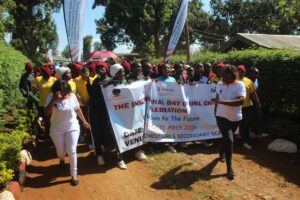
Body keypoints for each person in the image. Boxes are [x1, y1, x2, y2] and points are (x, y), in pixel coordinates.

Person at [45, 80, 90, 186]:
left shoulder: (72, 96)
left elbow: (77, 109)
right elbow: (46, 113)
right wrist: (54, 100)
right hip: (56, 129)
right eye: (62, 92)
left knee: (72, 149)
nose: (65, 95)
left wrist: (84, 121)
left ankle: (74, 174)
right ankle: (61, 159)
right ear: (56, 92)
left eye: (66, 92)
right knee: (61, 151)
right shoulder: (51, 98)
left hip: (72, 127)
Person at [212, 65, 246, 179]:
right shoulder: (219, 84)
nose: (224, 76)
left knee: (226, 138)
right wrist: (216, 109)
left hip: (236, 118)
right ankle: (229, 168)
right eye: (223, 74)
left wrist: (222, 101)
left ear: (233, 74)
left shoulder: (240, 85)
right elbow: (217, 98)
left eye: (227, 74)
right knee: (229, 140)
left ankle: (222, 152)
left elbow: (240, 101)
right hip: (221, 116)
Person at [87, 61, 111, 166]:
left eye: (103, 67)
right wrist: (90, 87)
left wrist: (109, 84)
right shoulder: (95, 81)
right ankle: (99, 155)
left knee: (108, 133)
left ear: (107, 69)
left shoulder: (112, 81)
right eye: (98, 68)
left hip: (109, 113)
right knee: (97, 133)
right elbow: (93, 98)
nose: (100, 70)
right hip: (96, 112)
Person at [237, 65, 262, 150]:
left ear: (244, 72)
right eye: (239, 71)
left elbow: (254, 94)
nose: (240, 73)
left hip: (247, 107)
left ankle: (246, 142)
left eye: (242, 71)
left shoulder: (248, 81)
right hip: (235, 107)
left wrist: (258, 103)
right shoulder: (232, 80)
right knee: (236, 125)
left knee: (247, 125)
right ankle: (235, 140)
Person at [156, 63, 177, 153]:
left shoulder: (173, 79)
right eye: (165, 68)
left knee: (171, 125)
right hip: (161, 106)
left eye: (168, 68)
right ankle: (159, 142)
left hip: (171, 106)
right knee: (160, 125)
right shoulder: (157, 80)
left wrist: (179, 84)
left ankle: (170, 144)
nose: (167, 70)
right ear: (161, 70)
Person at [32, 65, 57, 137]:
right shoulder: (37, 79)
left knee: (51, 120)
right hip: (42, 104)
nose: (47, 78)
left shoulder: (54, 79)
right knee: (46, 121)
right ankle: (48, 134)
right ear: (42, 75)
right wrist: (34, 89)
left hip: (52, 104)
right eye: (45, 77)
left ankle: (51, 134)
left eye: (48, 76)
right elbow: (33, 92)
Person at [74, 66, 94, 147]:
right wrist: (82, 100)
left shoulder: (92, 80)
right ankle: (88, 139)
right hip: (82, 105)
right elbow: (75, 92)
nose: (86, 76)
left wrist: (89, 100)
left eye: (87, 74)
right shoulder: (76, 80)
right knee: (85, 122)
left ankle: (92, 139)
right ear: (80, 74)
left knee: (92, 122)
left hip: (92, 105)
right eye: (84, 74)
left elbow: (94, 92)